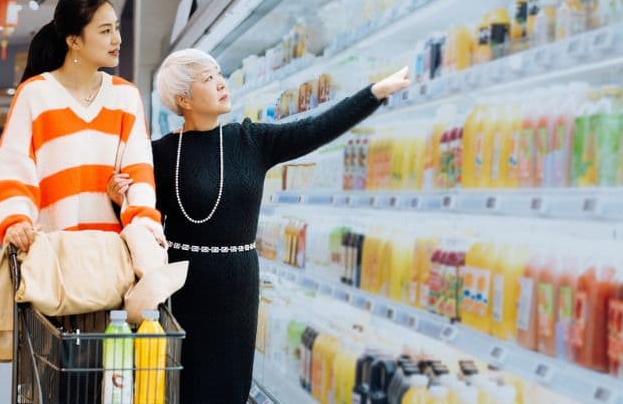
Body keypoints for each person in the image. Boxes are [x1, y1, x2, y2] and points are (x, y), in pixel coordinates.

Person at [108, 48, 410, 404]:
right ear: (183, 99)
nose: (221, 83)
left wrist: (374, 93)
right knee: (182, 385)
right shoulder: (158, 153)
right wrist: (119, 199)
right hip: (182, 286)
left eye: (219, 74)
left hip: (238, 283)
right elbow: (140, 223)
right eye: (208, 79)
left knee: (230, 386)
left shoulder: (250, 140)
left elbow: (316, 128)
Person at [0, 0, 163, 256]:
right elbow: (12, 169)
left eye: (116, 28)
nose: (117, 39)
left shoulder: (125, 96)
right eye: (105, 31)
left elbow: (138, 173)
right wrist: (15, 221)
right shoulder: (35, 94)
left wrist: (145, 225)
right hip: (50, 257)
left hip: (111, 259)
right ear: (74, 41)